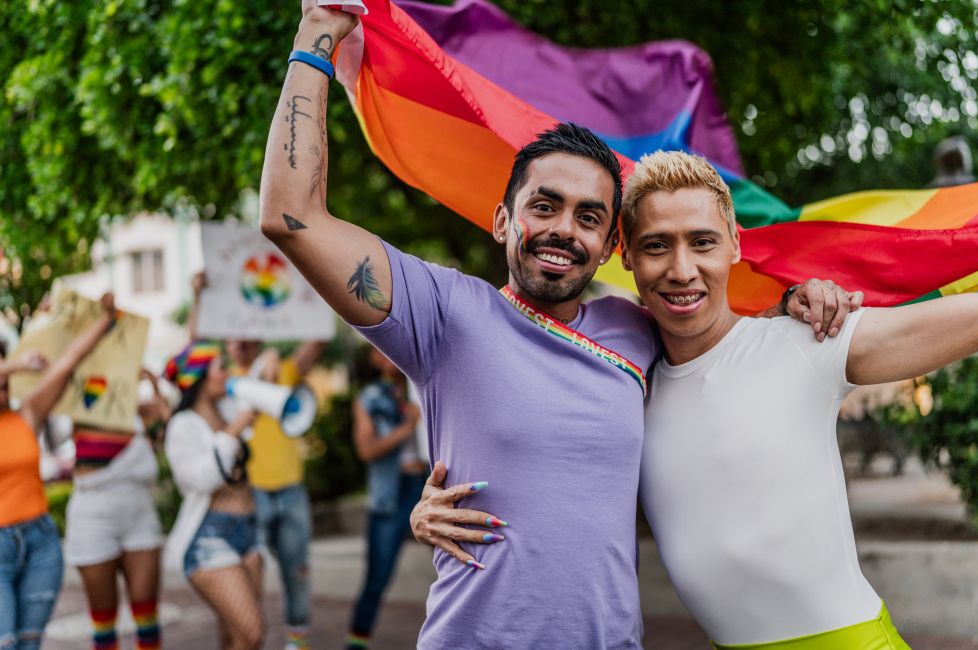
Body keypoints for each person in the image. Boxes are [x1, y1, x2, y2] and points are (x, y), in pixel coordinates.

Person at [259, 5, 854, 646]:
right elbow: (291, 217)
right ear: (503, 222)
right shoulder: (442, 312)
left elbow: (730, 338)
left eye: (589, 217)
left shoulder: (638, 328)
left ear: (608, 249)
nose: (564, 229)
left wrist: (804, 296)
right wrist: (318, 31)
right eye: (544, 207)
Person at [617, 150, 922, 647]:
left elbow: (974, 319)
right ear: (626, 252)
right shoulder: (624, 376)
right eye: (656, 245)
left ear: (735, 245)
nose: (681, 268)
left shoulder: (804, 341)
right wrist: (438, 500)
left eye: (702, 242)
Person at [190, 271, 325, 650]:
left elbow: (318, 339)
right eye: (233, 336)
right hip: (251, 496)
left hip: (291, 488)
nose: (239, 342)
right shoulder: (222, 382)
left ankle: (297, 644)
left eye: (247, 335)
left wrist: (310, 287)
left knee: (297, 574)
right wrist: (198, 298)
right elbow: (191, 352)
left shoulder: (280, 369)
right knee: (246, 586)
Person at [1, 294, 118, 650]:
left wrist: (105, 320)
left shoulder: (27, 414)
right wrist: (17, 364)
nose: (5, 386)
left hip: (40, 543)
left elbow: (67, 364)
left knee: (29, 644)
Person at [162, 342, 264, 650]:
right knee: (253, 633)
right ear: (202, 377)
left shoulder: (228, 411)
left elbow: (260, 388)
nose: (228, 373)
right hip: (209, 539)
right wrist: (234, 431)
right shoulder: (182, 426)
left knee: (235, 637)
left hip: (248, 533)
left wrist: (267, 362)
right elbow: (201, 479)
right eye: (221, 367)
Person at [64, 368, 164, 650]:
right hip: (93, 517)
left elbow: (162, 424)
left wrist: (153, 384)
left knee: (147, 613)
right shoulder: (85, 410)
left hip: (139, 513)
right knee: (104, 618)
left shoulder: (141, 413)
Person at [346, 346, 427, 649]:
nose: (390, 355)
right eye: (382, 351)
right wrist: (408, 427)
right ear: (374, 359)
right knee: (376, 580)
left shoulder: (425, 383)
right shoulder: (368, 398)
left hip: (429, 485)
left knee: (457, 568)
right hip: (392, 494)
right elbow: (367, 450)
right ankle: (356, 644)